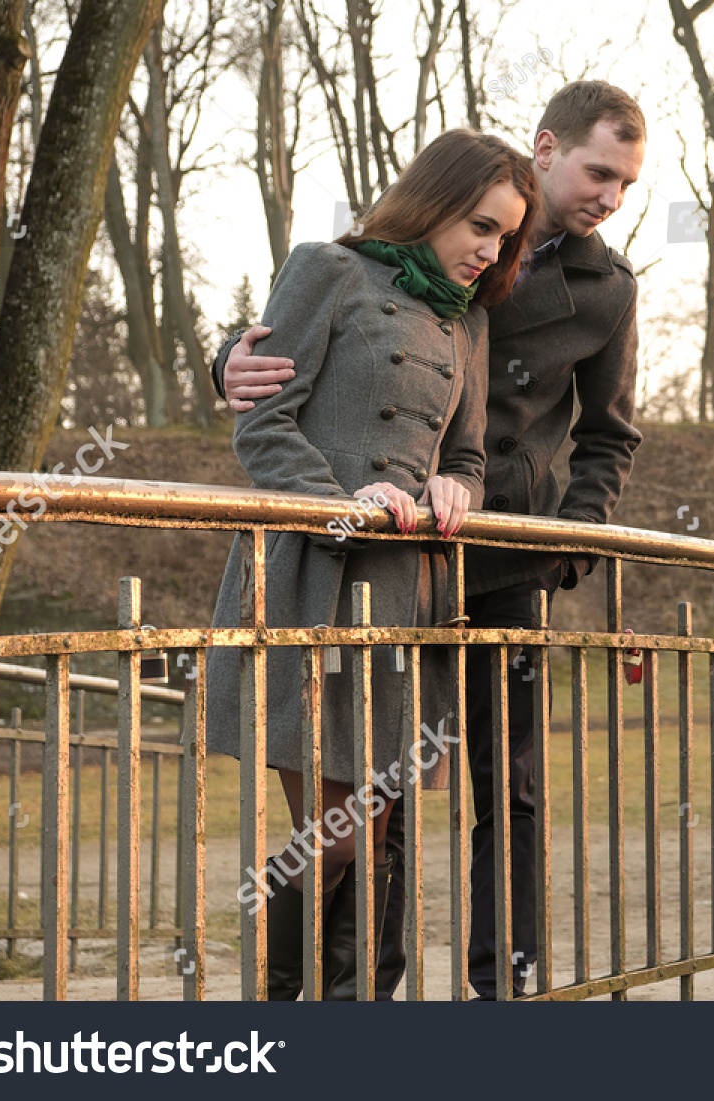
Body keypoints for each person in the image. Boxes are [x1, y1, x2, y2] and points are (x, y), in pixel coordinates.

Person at [212, 81, 646, 1000]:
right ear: (544, 147)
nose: (610, 195)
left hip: (487, 555)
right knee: (372, 812)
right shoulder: (386, 253)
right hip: (357, 557)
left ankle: (502, 994)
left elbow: (603, 435)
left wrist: (570, 538)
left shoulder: (590, 292)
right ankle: (350, 994)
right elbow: (293, 357)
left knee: (505, 788)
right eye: (599, 169)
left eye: (627, 183)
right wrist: (228, 363)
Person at [201, 128, 539, 1000]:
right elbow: (262, 423)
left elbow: (464, 456)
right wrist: (340, 510)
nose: (489, 250)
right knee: (338, 835)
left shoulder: (469, 323)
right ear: (430, 202)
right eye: (478, 225)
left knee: (376, 828)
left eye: (504, 235)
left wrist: (458, 488)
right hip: (309, 579)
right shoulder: (326, 268)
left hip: (403, 596)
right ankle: (278, 1008)